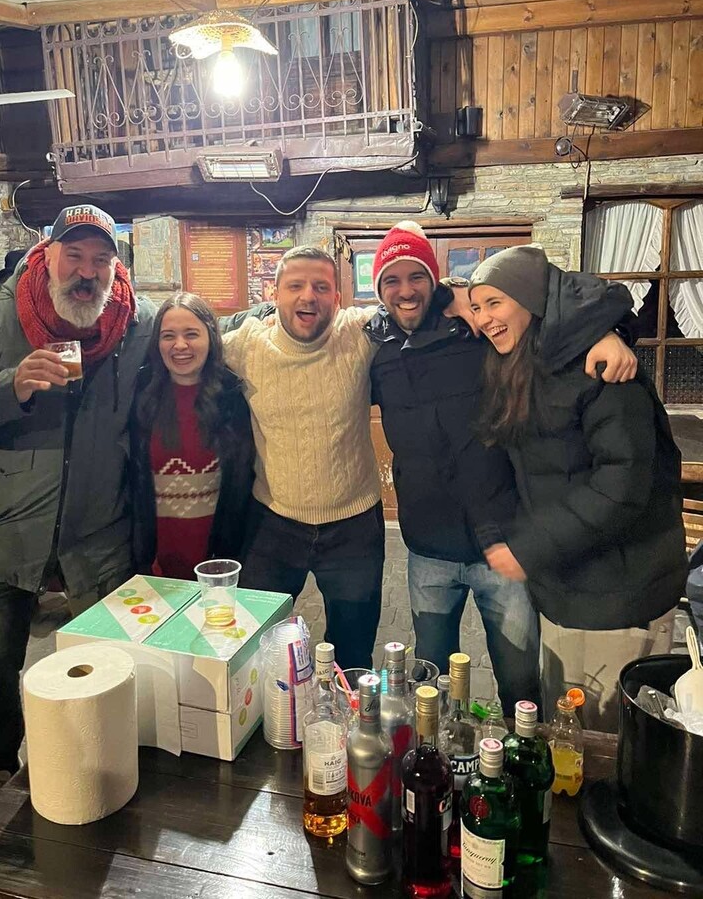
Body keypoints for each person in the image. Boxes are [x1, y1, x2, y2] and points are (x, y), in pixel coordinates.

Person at [365, 222, 636, 716]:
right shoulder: (373, 348)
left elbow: (561, 311)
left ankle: (518, 759)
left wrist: (608, 332)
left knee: (520, 687)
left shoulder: (475, 329)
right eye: (392, 280)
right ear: (378, 289)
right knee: (431, 689)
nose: (405, 290)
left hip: (505, 546)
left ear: (434, 279)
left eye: (417, 276)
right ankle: (437, 759)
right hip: (427, 550)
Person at [0, 203, 155, 785]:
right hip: (4, 532)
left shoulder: (135, 324)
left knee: (108, 663)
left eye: (101, 260)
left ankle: (103, 767)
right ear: (48, 252)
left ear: (116, 268)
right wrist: (8, 386)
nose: (87, 272)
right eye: (74, 255)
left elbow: (200, 331)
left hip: (98, 536)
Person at [468, 244, 688, 729]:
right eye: (477, 307)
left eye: (495, 303)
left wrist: (530, 548)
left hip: (620, 595)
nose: (484, 319)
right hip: (565, 585)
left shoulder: (603, 367)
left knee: (606, 739)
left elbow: (622, 486)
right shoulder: (524, 361)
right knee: (568, 731)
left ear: (530, 300)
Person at [222, 246, 384, 670]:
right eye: (295, 285)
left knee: (353, 655)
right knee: (253, 651)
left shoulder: (360, 332)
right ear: (273, 294)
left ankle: (346, 714)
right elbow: (187, 339)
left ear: (337, 298)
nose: (308, 296)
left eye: (321, 287)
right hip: (273, 524)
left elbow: (414, 304)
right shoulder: (246, 346)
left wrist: (458, 293)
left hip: (354, 527)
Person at [132, 292, 255, 579]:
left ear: (211, 337)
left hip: (220, 563)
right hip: (153, 565)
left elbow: (242, 485)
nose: (180, 345)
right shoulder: (138, 395)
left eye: (191, 334)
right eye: (168, 336)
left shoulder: (234, 397)